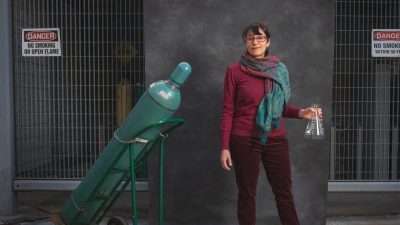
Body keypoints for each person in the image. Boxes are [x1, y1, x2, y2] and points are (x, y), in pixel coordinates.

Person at [220, 23, 323, 225]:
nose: (255, 42)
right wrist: (224, 146)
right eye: (250, 38)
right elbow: (228, 111)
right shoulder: (234, 71)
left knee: (284, 193)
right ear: (245, 42)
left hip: (275, 139)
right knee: (247, 194)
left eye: (260, 38)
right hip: (244, 139)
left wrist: (302, 113)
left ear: (268, 42)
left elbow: (280, 108)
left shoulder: (279, 70)